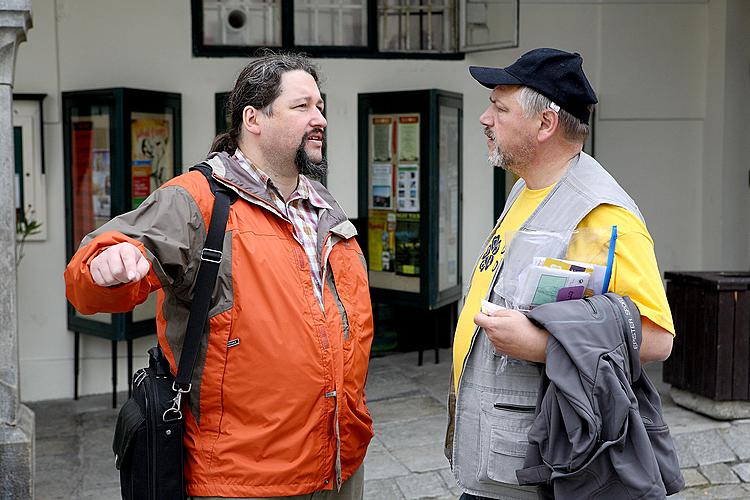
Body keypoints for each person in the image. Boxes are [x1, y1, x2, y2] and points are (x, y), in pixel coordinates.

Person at [65, 52, 374, 499]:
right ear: (253, 118)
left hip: (340, 461)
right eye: (302, 106)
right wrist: (106, 266)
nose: (319, 118)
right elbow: (97, 272)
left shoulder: (324, 207)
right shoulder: (199, 200)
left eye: (321, 106)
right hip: (245, 477)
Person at [445, 48, 676, 499]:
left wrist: (542, 344)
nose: (484, 118)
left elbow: (655, 336)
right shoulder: (525, 190)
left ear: (545, 124)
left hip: (538, 465)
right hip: (498, 452)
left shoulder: (605, 214)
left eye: (499, 106)